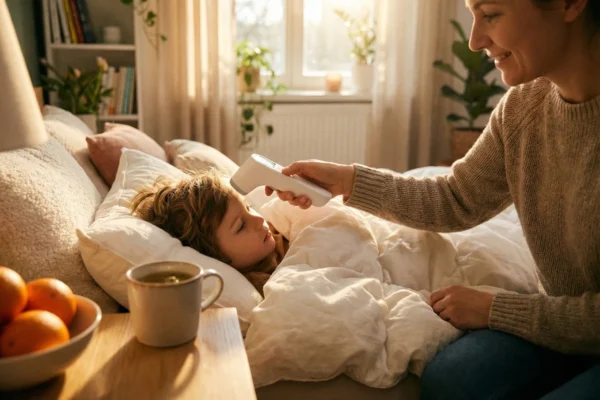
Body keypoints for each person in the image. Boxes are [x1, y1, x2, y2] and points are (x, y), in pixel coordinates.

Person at [266, 0, 600, 398]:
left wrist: (498, 309)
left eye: (490, 14)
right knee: (452, 380)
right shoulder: (524, 108)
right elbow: (456, 197)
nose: (475, 40)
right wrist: (347, 181)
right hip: (563, 323)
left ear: (569, 4)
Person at [129, 170, 289, 296]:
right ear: (216, 256)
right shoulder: (261, 284)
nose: (258, 220)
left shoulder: (280, 231)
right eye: (240, 226)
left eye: (248, 207)